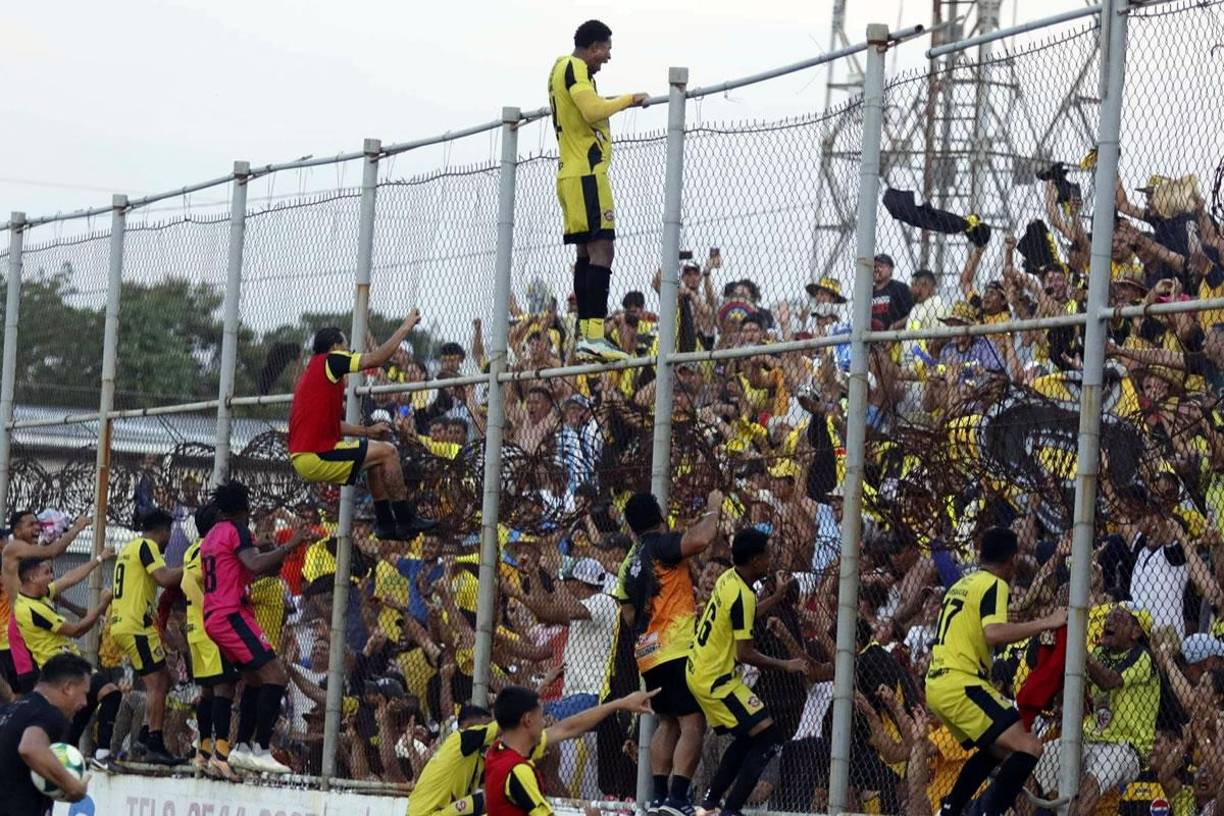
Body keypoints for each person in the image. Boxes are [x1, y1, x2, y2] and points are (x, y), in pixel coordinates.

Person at [924, 527, 1067, 816]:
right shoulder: (995, 584)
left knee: (998, 748)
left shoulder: (963, 584)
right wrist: (1046, 622)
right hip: (962, 682)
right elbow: (994, 633)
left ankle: (950, 810)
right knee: (1030, 747)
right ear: (1012, 560)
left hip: (938, 684)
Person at [684, 528, 814, 816]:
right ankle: (730, 809)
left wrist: (776, 597)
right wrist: (786, 664)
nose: (770, 560)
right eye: (767, 554)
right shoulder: (743, 594)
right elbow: (745, 653)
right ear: (755, 561)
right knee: (768, 739)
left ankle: (711, 802)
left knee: (749, 736)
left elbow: (744, 614)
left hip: (701, 670)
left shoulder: (730, 579)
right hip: (715, 680)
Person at [548, 19, 648, 362]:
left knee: (585, 254)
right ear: (593, 47)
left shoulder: (561, 68)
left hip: (570, 173)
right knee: (603, 249)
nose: (607, 57)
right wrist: (630, 99)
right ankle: (593, 335)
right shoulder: (575, 67)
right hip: (586, 174)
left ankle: (587, 336)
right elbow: (592, 110)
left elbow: (585, 105)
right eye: (606, 50)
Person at [288, 314, 436, 540]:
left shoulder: (314, 373)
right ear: (335, 346)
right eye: (346, 346)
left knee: (375, 456)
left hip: (306, 455)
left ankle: (385, 524)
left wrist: (367, 431)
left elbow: (332, 424)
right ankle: (405, 520)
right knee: (389, 451)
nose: (349, 350)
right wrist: (406, 327)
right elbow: (376, 359)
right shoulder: (332, 360)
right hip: (316, 454)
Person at [620, 491, 723, 816]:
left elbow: (628, 615)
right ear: (660, 517)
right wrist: (713, 508)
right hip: (677, 646)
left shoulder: (629, 562)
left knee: (667, 721)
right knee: (693, 721)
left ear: (631, 527)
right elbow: (702, 539)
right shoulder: (660, 546)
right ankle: (678, 798)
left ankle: (659, 797)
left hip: (648, 653)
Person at [201, 481, 309, 774]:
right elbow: (256, 564)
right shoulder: (236, 530)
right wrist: (289, 545)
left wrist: (267, 548)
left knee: (254, 679)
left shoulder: (212, 535)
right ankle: (261, 747)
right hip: (230, 613)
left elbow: (249, 565)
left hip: (216, 615)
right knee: (276, 675)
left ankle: (242, 747)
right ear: (244, 508)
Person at [1033, 604, 1159, 816]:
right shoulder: (1100, 652)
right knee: (1031, 763)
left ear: (1136, 632)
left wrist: (1077, 646)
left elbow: (1109, 680)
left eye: (1118, 618)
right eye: (1109, 617)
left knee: (1091, 784)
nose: (1108, 621)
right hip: (1088, 738)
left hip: (1125, 747)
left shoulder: (1142, 656)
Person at [11, 558, 120, 770]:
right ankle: (98, 755)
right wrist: (103, 605)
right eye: (47, 573)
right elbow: (76, 630)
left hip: (71, 662)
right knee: (107, 694)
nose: (51, 577)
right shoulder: (31, 609)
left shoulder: (38, 593)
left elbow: (69, 578)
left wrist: (98, 559)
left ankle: (86, 755)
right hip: (58, 669)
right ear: (33, 577)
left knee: (96, 700)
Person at [484, 685, 658, 816]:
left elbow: (567, 728)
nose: (545, 722)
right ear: (527, 720)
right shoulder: (518, 771)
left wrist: (620, 704)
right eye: (541, 716)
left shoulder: (498, 751)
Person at [109, 509, 183, 764]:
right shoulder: (147, 546)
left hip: (129, 625)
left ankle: (144, 737)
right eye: (169, 534)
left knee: (164, 679)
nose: (168, 541)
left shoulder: (130, 548)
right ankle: (153, 743)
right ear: (163, 531)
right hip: (136, 626)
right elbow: (165, 578)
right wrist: (195, 566)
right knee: (158, 684)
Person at [180, 504, 240, 779]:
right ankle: (221, 754)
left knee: (207, 690)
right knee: (224, 687)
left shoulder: (191, 549)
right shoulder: (210, 548)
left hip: (196, 629)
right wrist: (210, 607)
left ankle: (203, 752)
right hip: (210, 628)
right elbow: (188, 581)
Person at [1, 512, 91, 695]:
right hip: (19, 628)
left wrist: (75, 608)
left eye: (38, 524)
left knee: (43, 686)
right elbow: (53, 551)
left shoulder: (28, 554)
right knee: (28, 691)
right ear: (17, 531)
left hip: (29, 625)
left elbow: (49, 589)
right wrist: (77, 528)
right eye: (31, 524)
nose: (37, 528)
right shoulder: (14, 548)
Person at [0, 653, 94, 815]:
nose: (85, 702)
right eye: (84, 693)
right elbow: (30, 748)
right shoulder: (49, 713)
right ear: (68, 688)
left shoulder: (9, 710)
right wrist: (72, 785)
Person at [407, 704, 496, 816]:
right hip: (427, 814)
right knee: (492, 798)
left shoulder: (475, 759)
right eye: (486, 725)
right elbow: (504, 726)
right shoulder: (460, 740)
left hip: (425, 812)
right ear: (469, 725)